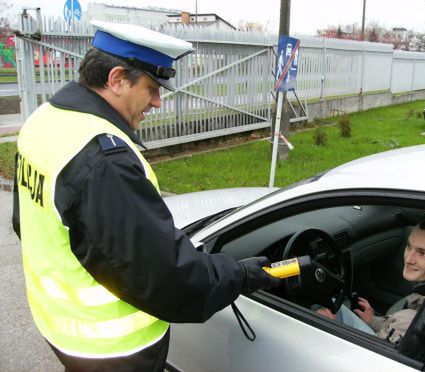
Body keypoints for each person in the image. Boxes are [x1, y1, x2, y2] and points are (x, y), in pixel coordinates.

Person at [12, 20, 280, 371]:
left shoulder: (46, 119)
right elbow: (168, 279)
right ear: (117, 79)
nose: (157, 102)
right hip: (114, 349)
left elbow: (24, 222)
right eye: (152, 87)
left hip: (59, 325)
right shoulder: (104, 161)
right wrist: (239, 274)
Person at [316, 217, 425, 344]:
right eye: (409, 246)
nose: (409, 259)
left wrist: (332, 330)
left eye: (423, 254)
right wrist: (372, 320)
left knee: (321, 308)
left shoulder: (414, 319)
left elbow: (371, 361)